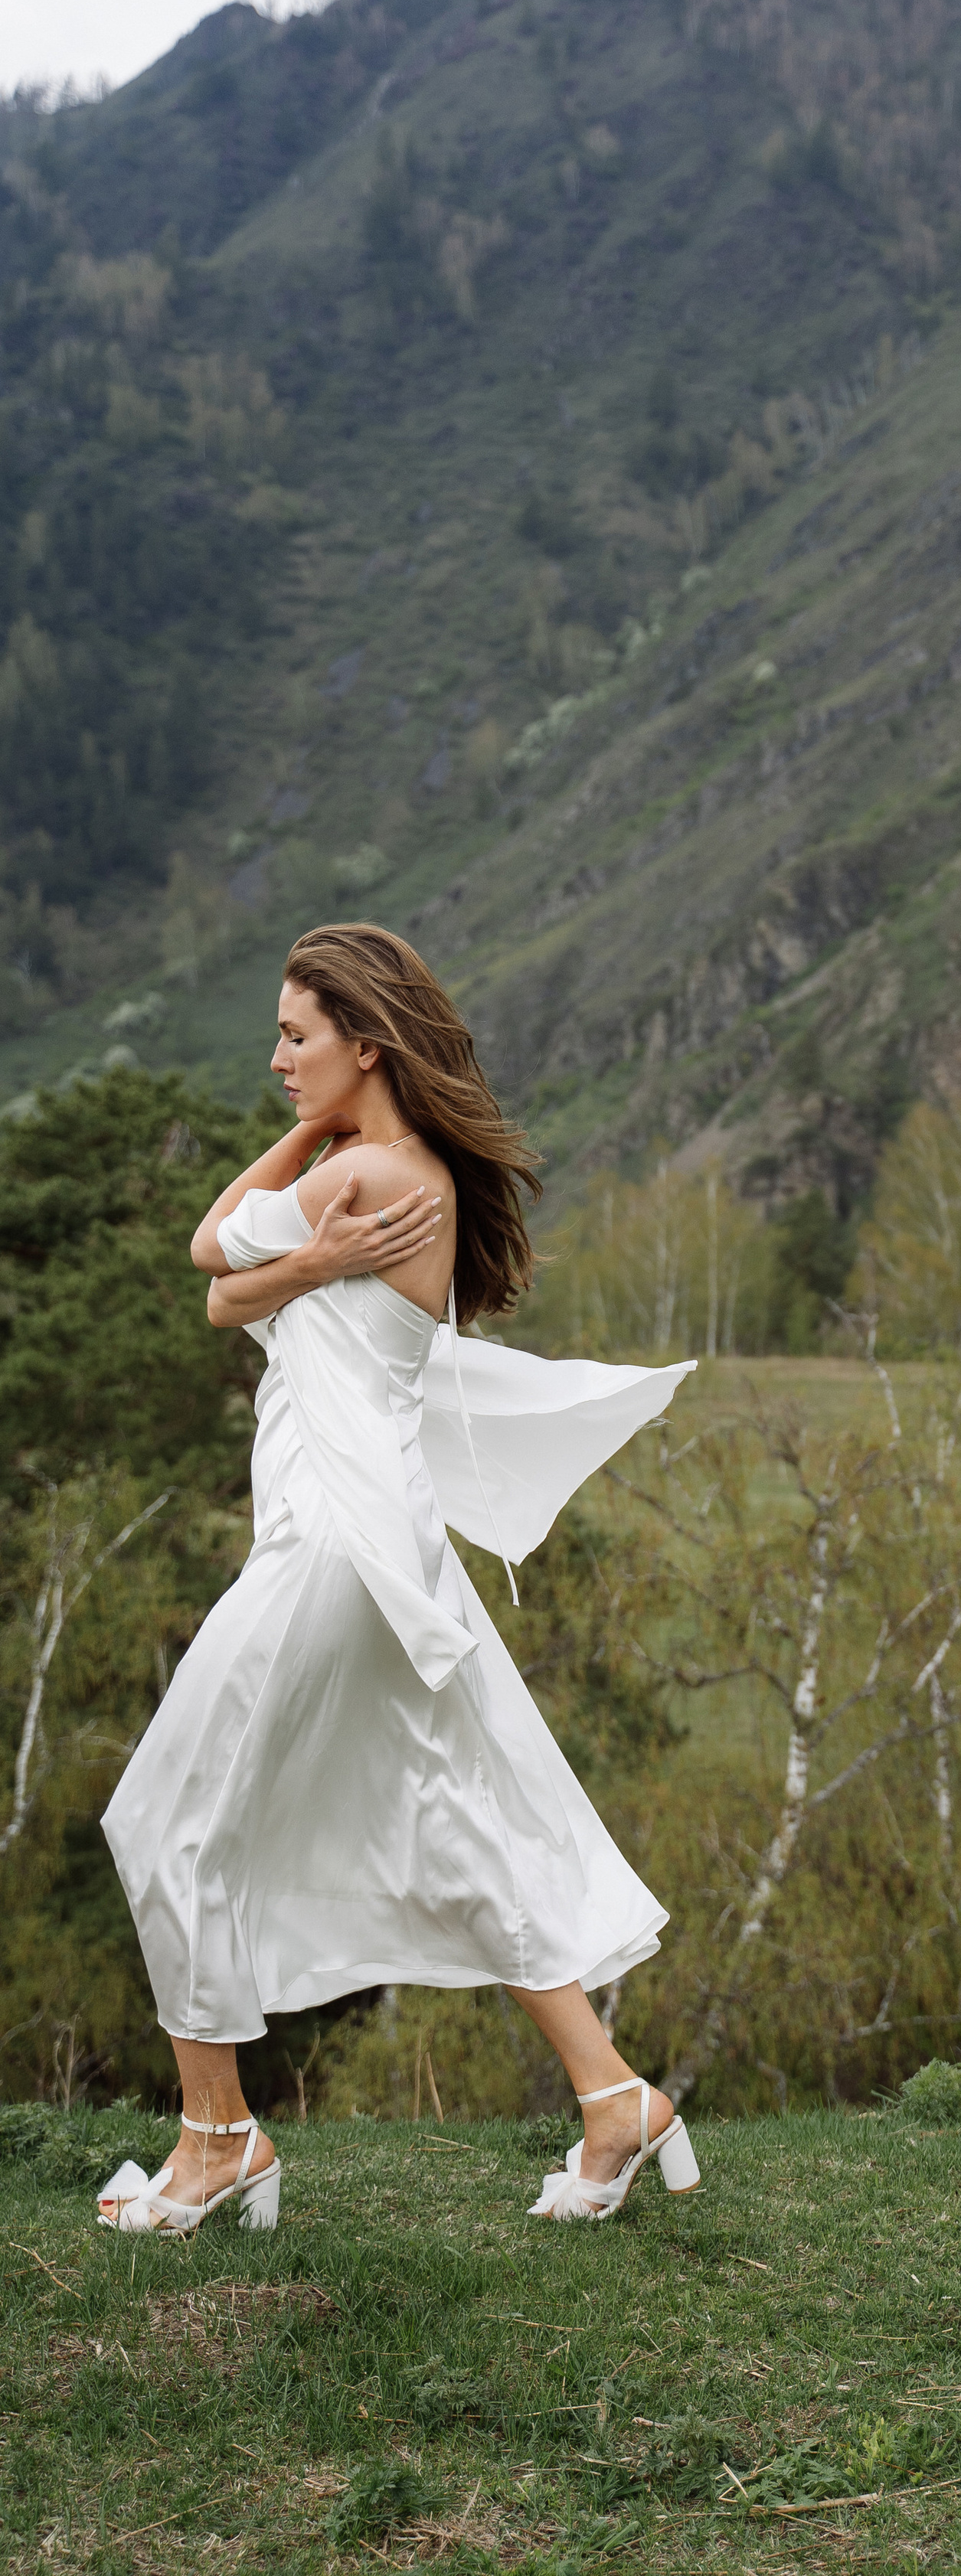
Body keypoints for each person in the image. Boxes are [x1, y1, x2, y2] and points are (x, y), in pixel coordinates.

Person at [94, 922, 698, 2235]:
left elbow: (209, 1257)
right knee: (459, 1820)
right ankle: (614, 2099)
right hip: (388, 1546)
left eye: (296, 1039)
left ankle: (217, 2140)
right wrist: (308, 1237)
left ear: (364, 1044)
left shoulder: (357, 1179)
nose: (276, 1060)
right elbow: (239, 1291)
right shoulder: (402, 1172)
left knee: (160, 1821)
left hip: (329, 1544)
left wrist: (300, 1223)